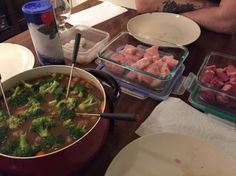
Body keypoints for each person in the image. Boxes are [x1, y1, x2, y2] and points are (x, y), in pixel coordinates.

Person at [135, 0, 236, 34]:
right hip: (164, 29)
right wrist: (207, 5)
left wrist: (173, 10)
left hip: (216, 38)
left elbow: (227, 22)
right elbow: (145, 4)